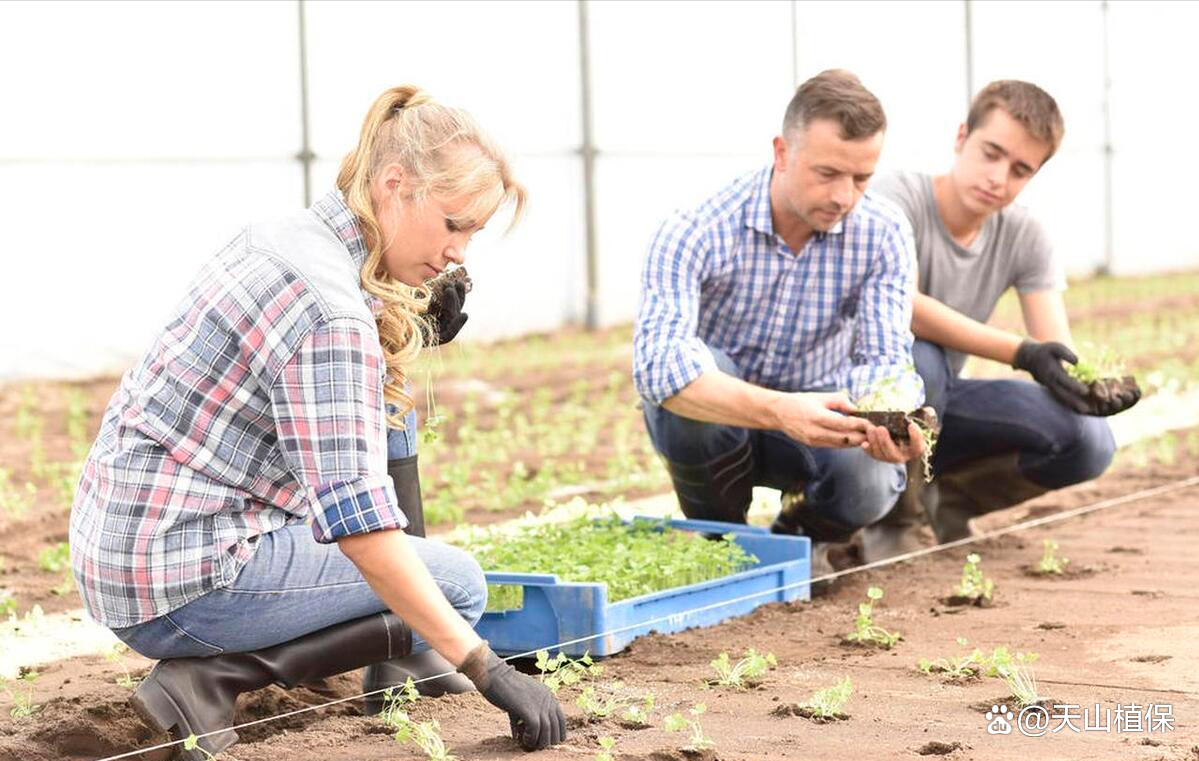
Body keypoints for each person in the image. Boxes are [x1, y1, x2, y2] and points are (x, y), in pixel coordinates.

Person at [69, 85, 566, 759]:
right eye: (454, 224)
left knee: (401, 504)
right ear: (394, 184)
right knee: (456, 585)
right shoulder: (332, 315)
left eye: (472, 234)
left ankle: (403, 655)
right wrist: (485, 665)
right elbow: (361, 527)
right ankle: (212, 676)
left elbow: (358, 427)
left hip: (126, 545)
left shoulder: (286, 236)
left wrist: (401, 324)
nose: (460, 253)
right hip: (183, 579)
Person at [631, 69, 926, 582]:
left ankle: (799, 540)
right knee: (697, 379)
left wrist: (897, 421)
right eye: (828, 173)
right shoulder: (696, 227)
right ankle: (721, 538)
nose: (844, 197)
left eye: (861, 179)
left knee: (873, 482)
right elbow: (660, 369)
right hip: (720, 421)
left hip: (820, 418)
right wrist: (778, 409)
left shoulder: (882, 233)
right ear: (782, 153)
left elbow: (884, 360)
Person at [861, 80, 1140, 562]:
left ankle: (949, 501)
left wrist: (1089, 383)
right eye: (991, 153)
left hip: (940, 404)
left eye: (1019, 170)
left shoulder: (1024, 235)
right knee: (919, 359)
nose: (998, 177)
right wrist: (1021, 353)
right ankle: (891, 522)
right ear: (961, 137)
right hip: (861, 403)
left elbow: (1054, 343)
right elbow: (900, 306)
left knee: (1088, 440)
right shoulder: (897, 199)